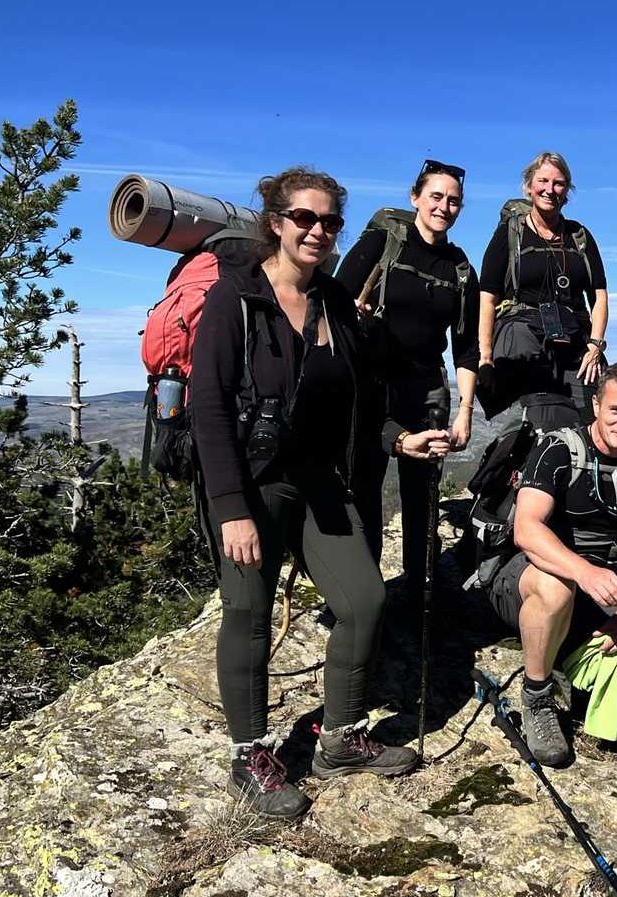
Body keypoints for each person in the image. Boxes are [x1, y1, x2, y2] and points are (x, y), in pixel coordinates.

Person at [192, 168, 425, 818]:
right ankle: (251, 756)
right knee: (249, 611)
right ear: (275, 221)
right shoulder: (236, 297)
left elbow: (353, 403)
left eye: (328, 221)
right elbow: (208, 407)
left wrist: (397, 440)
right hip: (254, 479)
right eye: (304, 218)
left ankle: (340, 737)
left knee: (365, 599)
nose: (318, 230)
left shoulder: (335, 304)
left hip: (321, 480)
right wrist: (231, 508)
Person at [489, 360, 617, 766]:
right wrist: (584, 571)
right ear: (596, 406)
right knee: (558, 588)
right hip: (528, 577)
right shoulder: (559, 450)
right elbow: (527, 530)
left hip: (590, 586)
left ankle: (567, 663)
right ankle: (537, 694)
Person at [335, 159, 477, 579]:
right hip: (372, 386)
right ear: (415, 197)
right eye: (436, 197)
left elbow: (466, 346)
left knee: (423, 497)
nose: (443, 207)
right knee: (364, 488)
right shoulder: (384, 242)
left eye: (453, 201)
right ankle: (366, 593)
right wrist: (352, 314)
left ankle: (419, 589)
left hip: (426, 388)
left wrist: (466, 409)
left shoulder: (459, 267)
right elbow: (335, 300)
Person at [477, 151, 610, 430]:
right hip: (524, 335)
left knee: (594, 414)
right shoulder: (509, 234)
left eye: (559, 183)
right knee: (541, 416)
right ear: (529, 186)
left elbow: (599, 295)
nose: (550, 190)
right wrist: (485, 355)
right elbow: (487, 297)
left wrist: (595, 345)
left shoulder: (579, 236)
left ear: (567, 191)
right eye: (543, 181)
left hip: (575, 337)